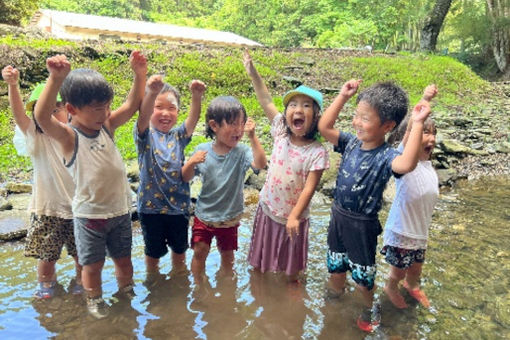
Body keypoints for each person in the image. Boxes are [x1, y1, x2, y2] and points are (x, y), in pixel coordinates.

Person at [33, 52, 147, 319]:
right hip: (90, 216)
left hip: (119, 211)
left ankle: (126, 290)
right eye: (96, 109)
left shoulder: (106, 126)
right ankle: (94, 299)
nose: (104, 113)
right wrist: (56, 79)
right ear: (72, 109)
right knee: (92, 265)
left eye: (106, 106)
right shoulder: (69, 136)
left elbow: (131, 106)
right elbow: (41, 117)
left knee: (124, 260)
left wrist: (139, 74)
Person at [318, 79, 431, 332]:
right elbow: (324, 127)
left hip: (362, 226)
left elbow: (407, 164)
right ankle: (335, 298)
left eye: (365, 119)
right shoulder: (350, 142)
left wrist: (418, 123)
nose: (357, 122)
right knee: (336, 266)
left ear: (388, 126)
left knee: (363, 278)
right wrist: (343, 96)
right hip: (338, 217)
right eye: (356, 116)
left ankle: (369, 309)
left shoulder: (387, 156)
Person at [242, 49, 329, 282]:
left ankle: (292, 289)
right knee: (260, 262)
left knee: (291, 269)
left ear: (316, 116)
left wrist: (294, 216)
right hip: (268, 208)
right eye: (292, 105)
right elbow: (266, 99)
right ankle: (260, 284)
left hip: (294, 216)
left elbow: (309, 189)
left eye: (306, 106)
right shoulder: (281, 132)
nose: (298, 110)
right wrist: (253, 73)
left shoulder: (317, 152)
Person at [2, 66, 82, 299]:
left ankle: (80, 281)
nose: (48, 114)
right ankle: (46, 285)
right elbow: (18, 114)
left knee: (82, 256)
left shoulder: (75, 135)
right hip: (48, 209)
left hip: (78, 209)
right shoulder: (36, 137)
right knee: (47, 257)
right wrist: (13, 85)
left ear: (68, 111)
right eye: (42, 110)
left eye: (56, 109)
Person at [181, 96, 267, 283]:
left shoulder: (242, 152)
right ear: (214, 126)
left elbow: (260, 164)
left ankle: (227, 287)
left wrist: (253, 137)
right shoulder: (202, 150)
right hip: (204, 216)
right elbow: (186, 177)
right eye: (233, 124)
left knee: (228, 256)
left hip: (230, 218)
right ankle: (198, 285)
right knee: (199, 252)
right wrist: (191, 163)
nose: (239, 130)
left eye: (242, 124)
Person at [135, 74, 206, 278]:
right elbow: (142, 115)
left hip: (178, 208)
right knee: (153, 254)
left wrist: (196, 96)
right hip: (150, 209)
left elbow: (192, 120)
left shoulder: (179, 136)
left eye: (171, 108)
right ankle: (153, 281)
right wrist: (151, 93)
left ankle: (178, 283)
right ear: (150, 110)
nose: (165, 113)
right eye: (159, 107)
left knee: (180, 252)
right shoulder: (144, 135)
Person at [381, 85, 439, 309]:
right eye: (426, 132)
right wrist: (424, 99)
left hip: (420, 231)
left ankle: (412, 286)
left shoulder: (427, 165)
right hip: (402, 231)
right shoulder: (406, 163)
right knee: (399, 270)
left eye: (434, 133)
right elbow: (408, 132)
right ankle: (391, 287)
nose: (431, 137)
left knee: (416, 268)